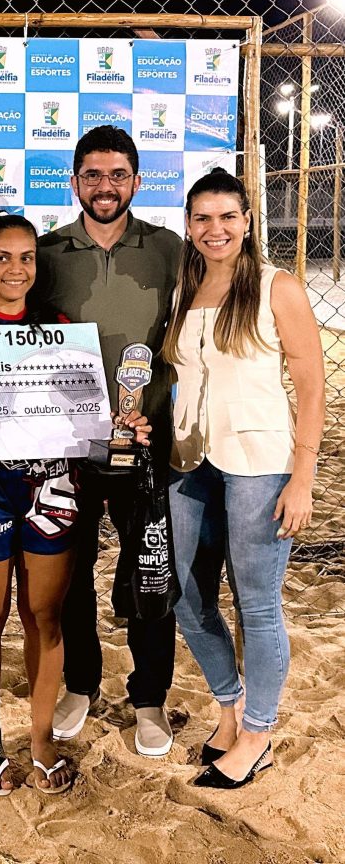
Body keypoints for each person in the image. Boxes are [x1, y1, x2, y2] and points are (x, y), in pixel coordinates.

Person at [0, 210, 150, 796]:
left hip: (54, 487)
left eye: (26, 258)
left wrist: (119, 430)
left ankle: (42, 739)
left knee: (44, 616)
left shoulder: (58, 326)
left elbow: (82, 418)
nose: (16, 269)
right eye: (3, 257)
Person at [162, 169, 324, 788]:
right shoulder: (184, 287)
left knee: (256, 603)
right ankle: (229, 708)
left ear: (248, 221)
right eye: (203, 218)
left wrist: (302, 477)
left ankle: (258, 734)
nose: (216, 229)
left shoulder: (278, 287)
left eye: (228, 216)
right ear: (189, 226)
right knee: (186, 596)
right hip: (189, 461)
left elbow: (311, 386)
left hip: (261, 462)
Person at [36, 125, 182, 756]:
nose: (105, 186)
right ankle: (80, 684)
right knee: (69, 574)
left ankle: (149, 698)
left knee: (152, 568)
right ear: (75, 182)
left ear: (137, 182)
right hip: (68, 446)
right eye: (93, 174)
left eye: (118, 174)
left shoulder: (170, 249)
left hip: (146, 444)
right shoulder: (45, 253)